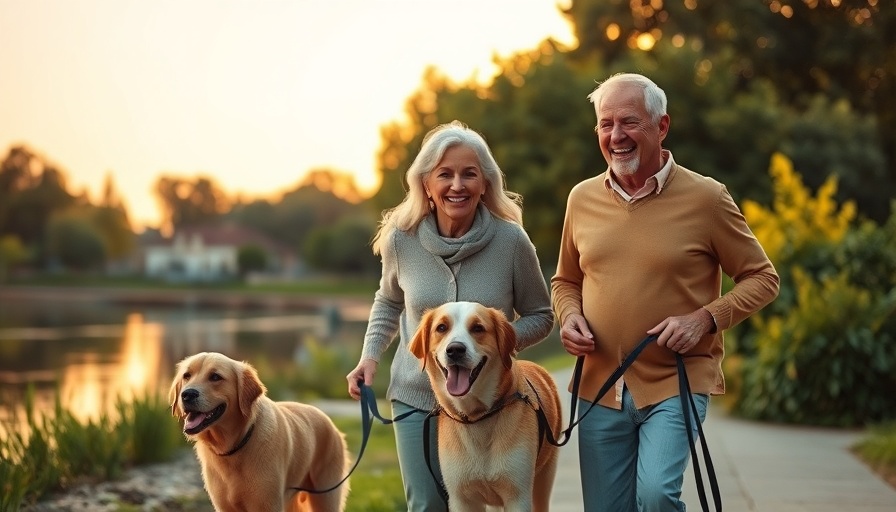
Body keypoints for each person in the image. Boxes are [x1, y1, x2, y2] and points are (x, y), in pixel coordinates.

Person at [551, 73, 780, 511]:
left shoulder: (708, 198)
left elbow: (763, 278)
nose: (616, 135)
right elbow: (566, 280)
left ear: (662, 126)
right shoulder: (580, 199)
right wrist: (570, 315)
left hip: (676, 379)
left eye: (629, 122)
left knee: (656, 495)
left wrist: (703, 320)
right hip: (600, 385)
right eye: (605, 124)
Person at [346, 120, 554, 511]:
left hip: (492, 402)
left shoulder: (512, 242)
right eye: (445, 174)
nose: (457, 185)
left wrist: (494, 340)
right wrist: (369, 357)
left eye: (468, 174)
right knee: (427, 505)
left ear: (484, 184)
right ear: (426, 184)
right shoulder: (400, 238)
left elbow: (541, 315)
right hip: (415, 394)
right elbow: (389, 301)